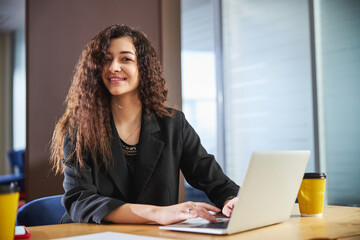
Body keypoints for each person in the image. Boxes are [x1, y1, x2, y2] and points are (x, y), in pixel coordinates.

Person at [50, 24, 239, 225]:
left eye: (126, 59)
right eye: (106, 59)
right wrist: (158, 213)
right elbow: (79, 200)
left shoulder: (173, 124)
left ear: (144, 67)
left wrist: (231, 200)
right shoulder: (79, 128)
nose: (114, 67)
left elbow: (216, 181)